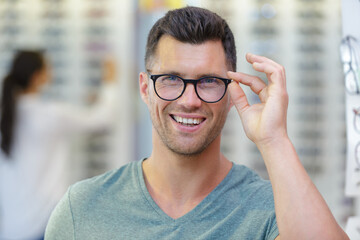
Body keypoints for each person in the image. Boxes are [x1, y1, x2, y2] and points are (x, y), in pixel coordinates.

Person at [45, 6, 349, 240]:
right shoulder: (82, 209)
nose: (190, 100)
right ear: (144, 88)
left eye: (208, 82)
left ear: (231, 93)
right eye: (171, 79)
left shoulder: (274, 211)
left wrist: (274, 141)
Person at [0, 50, 118, 240]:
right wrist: (111, 82)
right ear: (37, 76)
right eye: (48, 68)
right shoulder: (49, 115)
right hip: (43, 225)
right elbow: (101, 118)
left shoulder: (7, 115)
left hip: (10, 229)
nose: (51, 73)